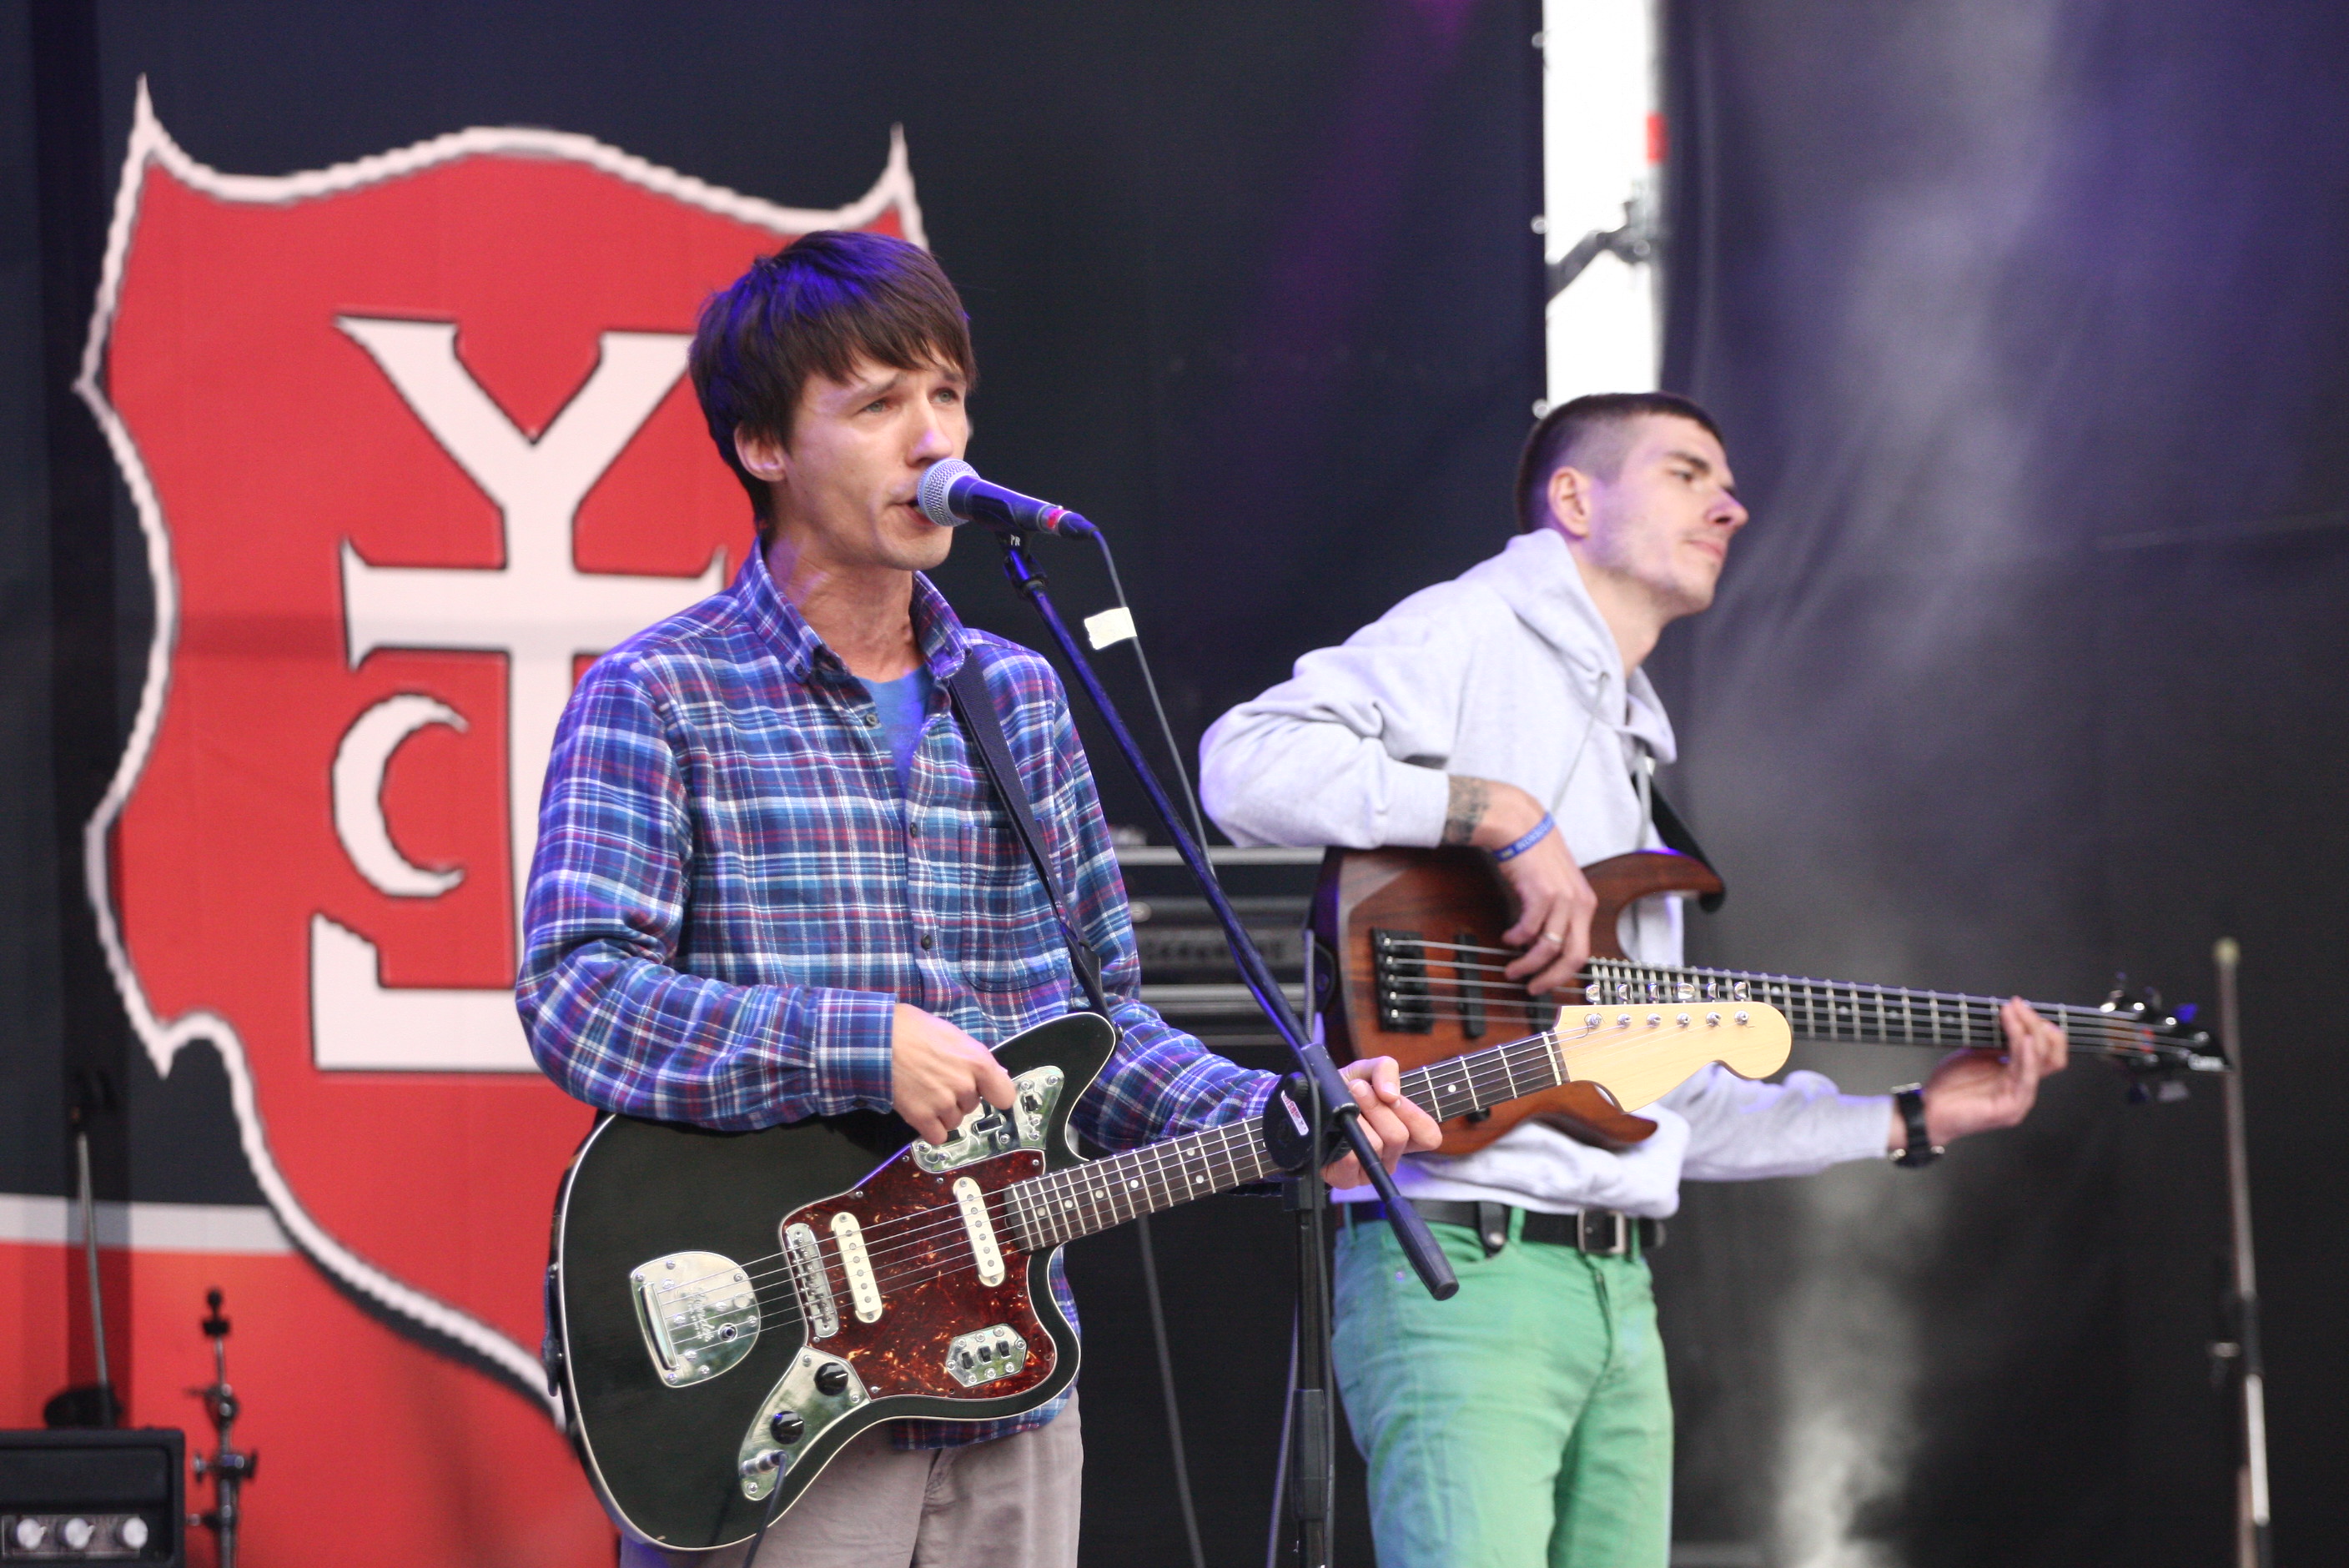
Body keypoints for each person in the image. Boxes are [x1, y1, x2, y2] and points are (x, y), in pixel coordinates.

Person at [516, 230, 1439, 1568]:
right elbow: (577, 995)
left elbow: (1103, 1030)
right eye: (877, 403)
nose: (933, 438)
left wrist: (1284, 1120)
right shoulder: (660, 692)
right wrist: (859, 1042)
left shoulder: (1016, 693)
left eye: (947, 395)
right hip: (780, 1389)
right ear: (763, 446)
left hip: (1009, 1378)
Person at [1198, 390, 2070, 1568]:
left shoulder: (1629, 736)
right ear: (1574, 498)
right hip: (1466, 1265)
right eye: (1686, 473)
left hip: (1618, 1285)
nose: (1732, 506)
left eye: (1728, 482)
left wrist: (1913, 1118)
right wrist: (1497, 811)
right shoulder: (1476, 628)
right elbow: (1245, 765)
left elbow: (1664, 1095)